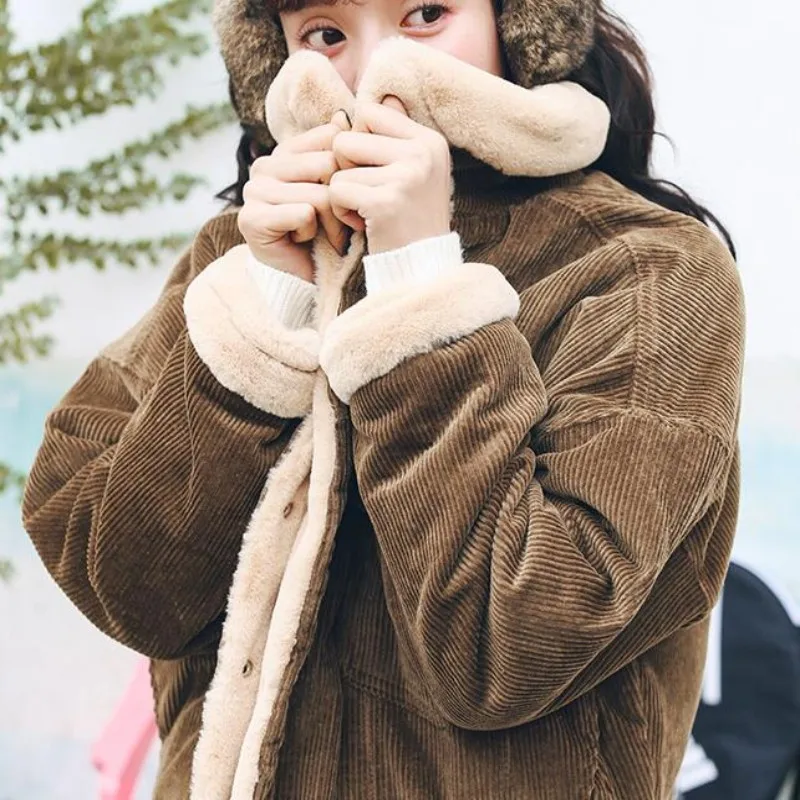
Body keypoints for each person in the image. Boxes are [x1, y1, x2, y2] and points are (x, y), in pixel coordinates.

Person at [22, 0, 745, 797]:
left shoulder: (645, 268)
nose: (375, 72)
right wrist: (272, 307)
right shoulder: (241, 258)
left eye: (426, 14)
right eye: (325, 34)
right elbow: (132, 593)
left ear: (521, 25)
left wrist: (419, 284)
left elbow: (507, 650)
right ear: (275, 57)